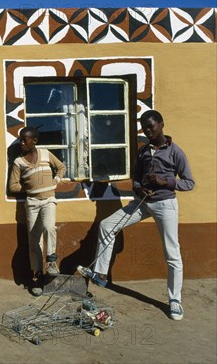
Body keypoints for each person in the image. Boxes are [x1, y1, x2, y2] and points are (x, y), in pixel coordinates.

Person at [81, 110, 194, 321]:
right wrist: (139, 189)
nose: (148, 130)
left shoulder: (175, 152)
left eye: (151, 126)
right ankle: (101, 274)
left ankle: (175, 301)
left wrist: (166, 183)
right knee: (107, 224)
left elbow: (189, 183)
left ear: (162, 124)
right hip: (142, 203)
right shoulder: (143, 152)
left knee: (172, 252)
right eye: (144, 127)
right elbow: (136, 178)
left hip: (165, 205)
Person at [8, 126, 66, 296]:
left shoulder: (46, 154)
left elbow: (61, 167)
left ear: (35, 141)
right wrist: (28, 188)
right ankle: (37, 277)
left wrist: (55, 180)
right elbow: (13, 186)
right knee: (34, 240)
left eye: (25, 140)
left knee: (49, 227)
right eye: (20, 139)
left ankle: (51, 261)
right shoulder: (18, 162)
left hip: (49, 200)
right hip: (32, 203)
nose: (22, 143)